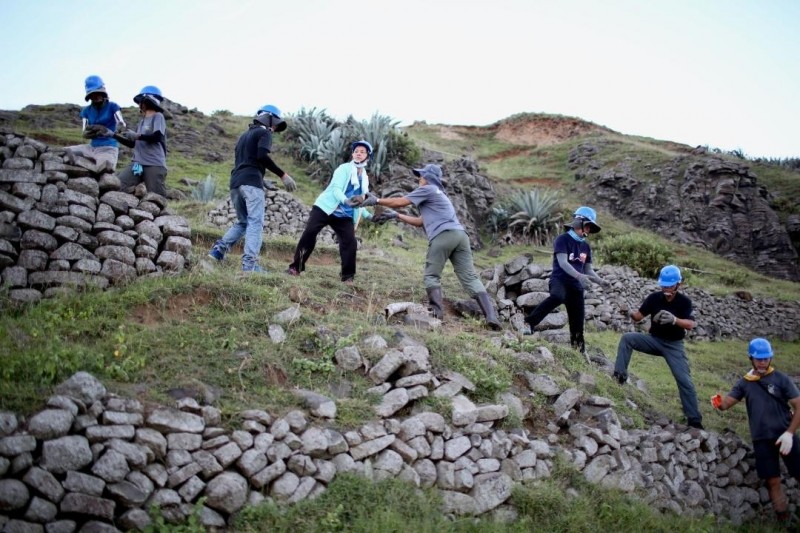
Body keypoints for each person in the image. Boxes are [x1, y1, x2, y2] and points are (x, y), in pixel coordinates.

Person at [355, 163, 502, 330]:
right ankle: (491, 317)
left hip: (443, 236)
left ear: (429, 178)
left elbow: (400, 201)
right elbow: (420, 222)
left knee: (431, 275)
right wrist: (395, 216)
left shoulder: (429, 189)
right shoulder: (441, 196)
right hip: (460, 237)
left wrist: (377, 200)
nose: (419, 178)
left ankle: (436, 313)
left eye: (422, 175)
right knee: (470, 278)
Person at [711, 338, 800, 524]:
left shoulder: (781, 379)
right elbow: (727, 403)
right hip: (761, 440)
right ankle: (783, 521)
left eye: (766, 358)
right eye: (759, 359)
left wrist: (790, 433)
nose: (762, 362)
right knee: (772, 481)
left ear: (771, 358)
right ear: (751, 358)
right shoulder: (745, 383)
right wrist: (718, 403)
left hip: (785, 435)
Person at [613, 264, 704, 429]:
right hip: (654, 340)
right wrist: (627, 312)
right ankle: (619, 378)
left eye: (670, 285)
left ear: (678, 284)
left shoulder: (684, 302)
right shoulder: (654, 298)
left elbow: (691, 324)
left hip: (673, 346)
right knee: (627, 339)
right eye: (664, 284)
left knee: (684, 380)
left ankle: (694, 419)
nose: (666, 288)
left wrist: (674, 320)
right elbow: (638, 316)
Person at [208, 105, 296, 273]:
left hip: (236, 183)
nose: (274, 128)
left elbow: (246, 163)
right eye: (275, 124)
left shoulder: (243, 136)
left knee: (243, 222)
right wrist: (282, 175)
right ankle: (250, 265)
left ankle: (217, 251)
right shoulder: (264, 133)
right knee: (255, 222)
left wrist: (261, 180)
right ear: (269, 119)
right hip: (251, 184)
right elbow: (261, 156)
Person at [286, 140, 374, 284]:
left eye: (362, 152)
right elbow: (336, 190)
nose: (358, 153)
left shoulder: (364, 178)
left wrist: (369, 216)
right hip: (325, 207)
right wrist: (346, 201)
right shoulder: (343, 169)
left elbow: (361, 202)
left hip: (344, 215)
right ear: (352, 154)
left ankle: (347, 277)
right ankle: (296, 268)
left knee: (350, 242)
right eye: (356, 151)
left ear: (368, 156)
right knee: (310, 232)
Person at [523, 206, 607, 353]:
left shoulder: (586, 247)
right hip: (559, 280)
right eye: (587, 226)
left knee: (577, 321)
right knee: (557, 296)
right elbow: (563, 263)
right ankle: (529, 323)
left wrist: (600, 281)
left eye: (590, 228)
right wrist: (579, 276)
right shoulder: (562, 239)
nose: (588, 231)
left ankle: (578, 351)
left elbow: (588, 270)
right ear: (578, 222)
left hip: (576, 286)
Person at [64, 75, 126, 174]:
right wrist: (91, 133)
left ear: (103, 93)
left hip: (108, 148)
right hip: (90, 148)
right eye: (92, 94)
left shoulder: (113, 107)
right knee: (63, 152)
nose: (95, 96)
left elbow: (122, 125)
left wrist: (107, 131)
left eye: (98, 93)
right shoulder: (86, 111)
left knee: (104, 169)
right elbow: (84, 133)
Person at [115, 85, 169, 197]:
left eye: (141, 101)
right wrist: (114, 136)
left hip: (154, 164)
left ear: (147, 100)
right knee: (118, 185)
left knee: (156, 197)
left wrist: (137, 135)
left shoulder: (158, 116)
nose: (139, 104)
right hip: (137, 164)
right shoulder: (142, 122)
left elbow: (157, 137)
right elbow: (133, 144)